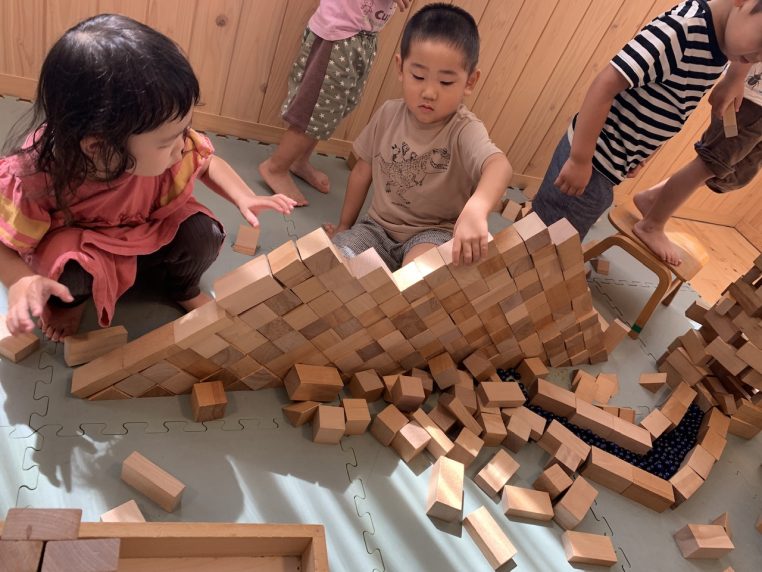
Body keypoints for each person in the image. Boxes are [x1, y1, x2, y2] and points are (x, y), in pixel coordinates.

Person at [0, 14, 296, 341]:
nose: (183, 145)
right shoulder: (36, 174)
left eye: (184, 131)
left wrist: (244, 196)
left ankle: (181, 288)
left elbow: (208, 163)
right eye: (168, 142)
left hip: (147, 228)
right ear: (99, 146)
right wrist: (22, 281)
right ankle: (73, 305)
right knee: (70, 276)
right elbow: (3, 244)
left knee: (203, 233)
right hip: (86, 246)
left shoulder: (166, 143)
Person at [532, 0, 762, 248]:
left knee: (558, 238)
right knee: (546, 244)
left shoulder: (719, 46)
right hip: (593, 161)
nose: (758, 58)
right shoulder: (681, 30)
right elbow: (605, 84)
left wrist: (640, 155)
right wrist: (579, 159)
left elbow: (665, 106)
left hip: (610, 165)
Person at [325, 3, 511, 270]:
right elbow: (361, 171)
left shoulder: (464, 129)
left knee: (417, 280)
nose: (429, 92)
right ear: (401, 68)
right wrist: (345, 226)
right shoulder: (388, 113)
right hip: (375, 229)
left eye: (446, 82)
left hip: (432, 234)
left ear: (470, 82)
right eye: (419, 76)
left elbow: (499, 166)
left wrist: (478, 207)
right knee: (335, 265)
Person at [259, 0, 410, 206]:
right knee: (313, 108)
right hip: (338, 34)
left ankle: (299, 160)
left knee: (331, 109)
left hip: (362, 36)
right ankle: (275, 167)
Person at [633, 62, 762, 265]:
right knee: (711, 163)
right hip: (750, 100)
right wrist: (733, 79)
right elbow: (753, 37)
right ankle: (651, 225)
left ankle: (652, 198)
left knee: (733, 173)